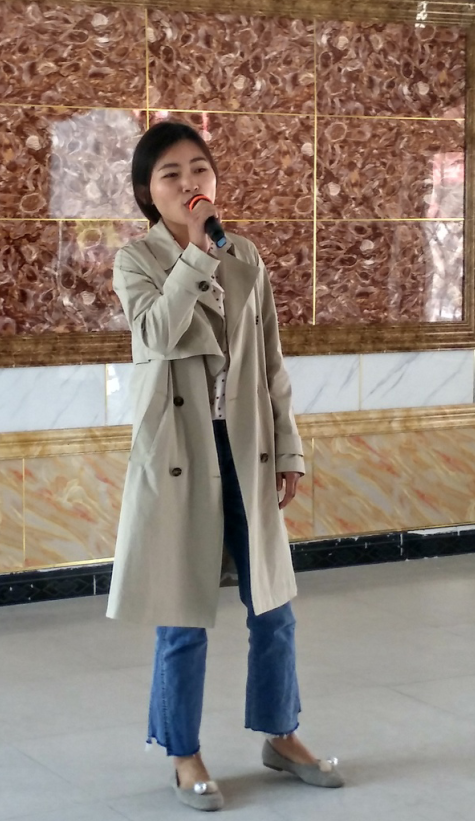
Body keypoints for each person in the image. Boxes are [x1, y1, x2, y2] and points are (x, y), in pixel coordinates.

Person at [105, 120, 344, 812]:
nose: (189, 182)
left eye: (199, 169)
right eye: (171, 174)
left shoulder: (246, 257)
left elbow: (270, 364)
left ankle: (281, 733)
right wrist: (196, 256)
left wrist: (289, 449)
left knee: (274, 606)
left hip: (246, 450)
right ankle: (183, 751)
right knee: (183, 615)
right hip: (179, 456)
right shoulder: (137, 260)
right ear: (148, 193)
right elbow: (157, 333)